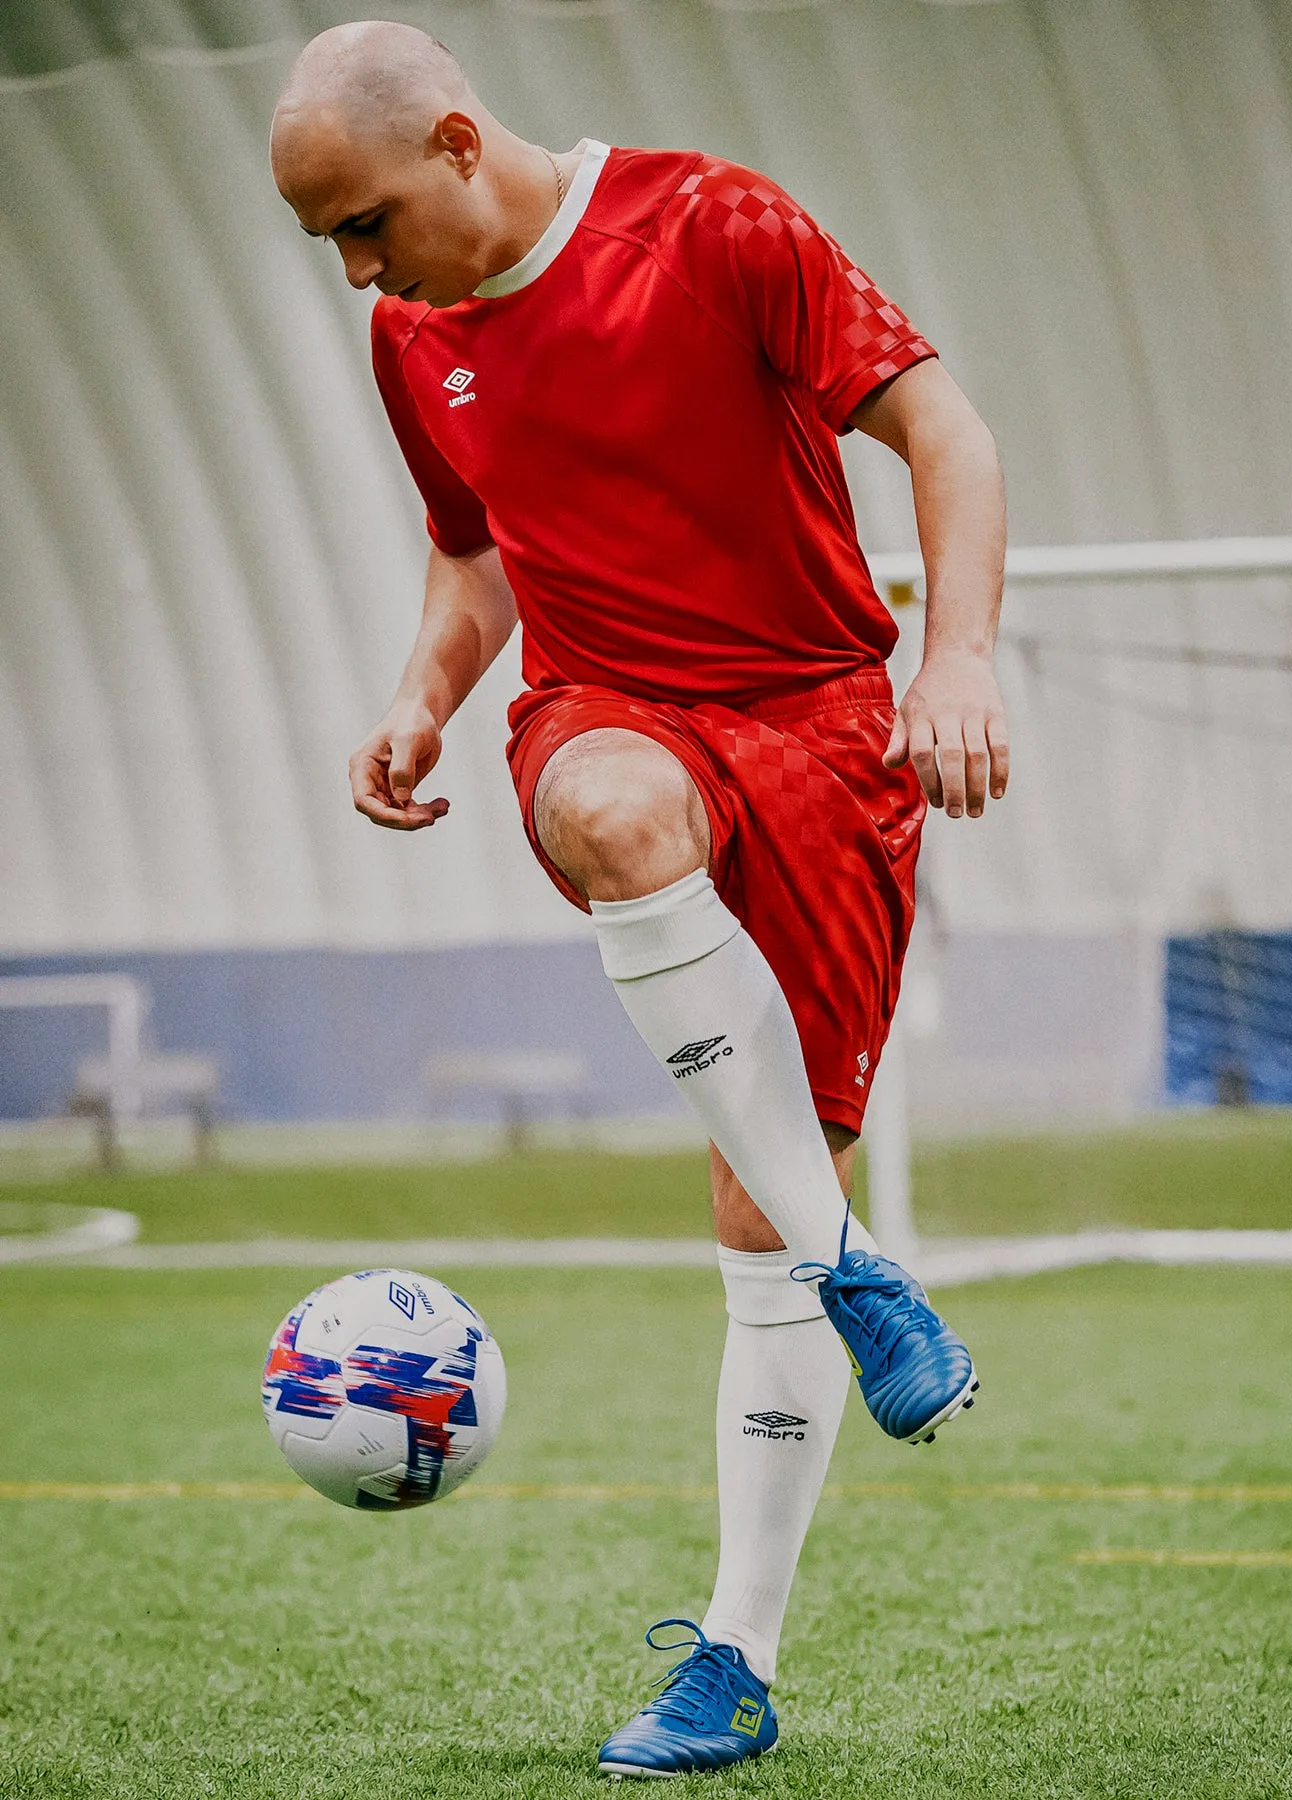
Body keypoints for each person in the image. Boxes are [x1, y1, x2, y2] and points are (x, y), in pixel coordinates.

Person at [271, 20, 1008, 1780]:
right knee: (608, 807)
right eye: (334, 248)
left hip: (826, 735)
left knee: (760, 1222)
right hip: (607, 713)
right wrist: (421, 693)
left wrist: (961, 659)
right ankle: (862, 1273)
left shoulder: (714, 227)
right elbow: (475, 545)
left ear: (457, 144)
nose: (362, 270)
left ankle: (737, 1663)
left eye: (367, 222)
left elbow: (945, 428)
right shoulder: (410, 336)